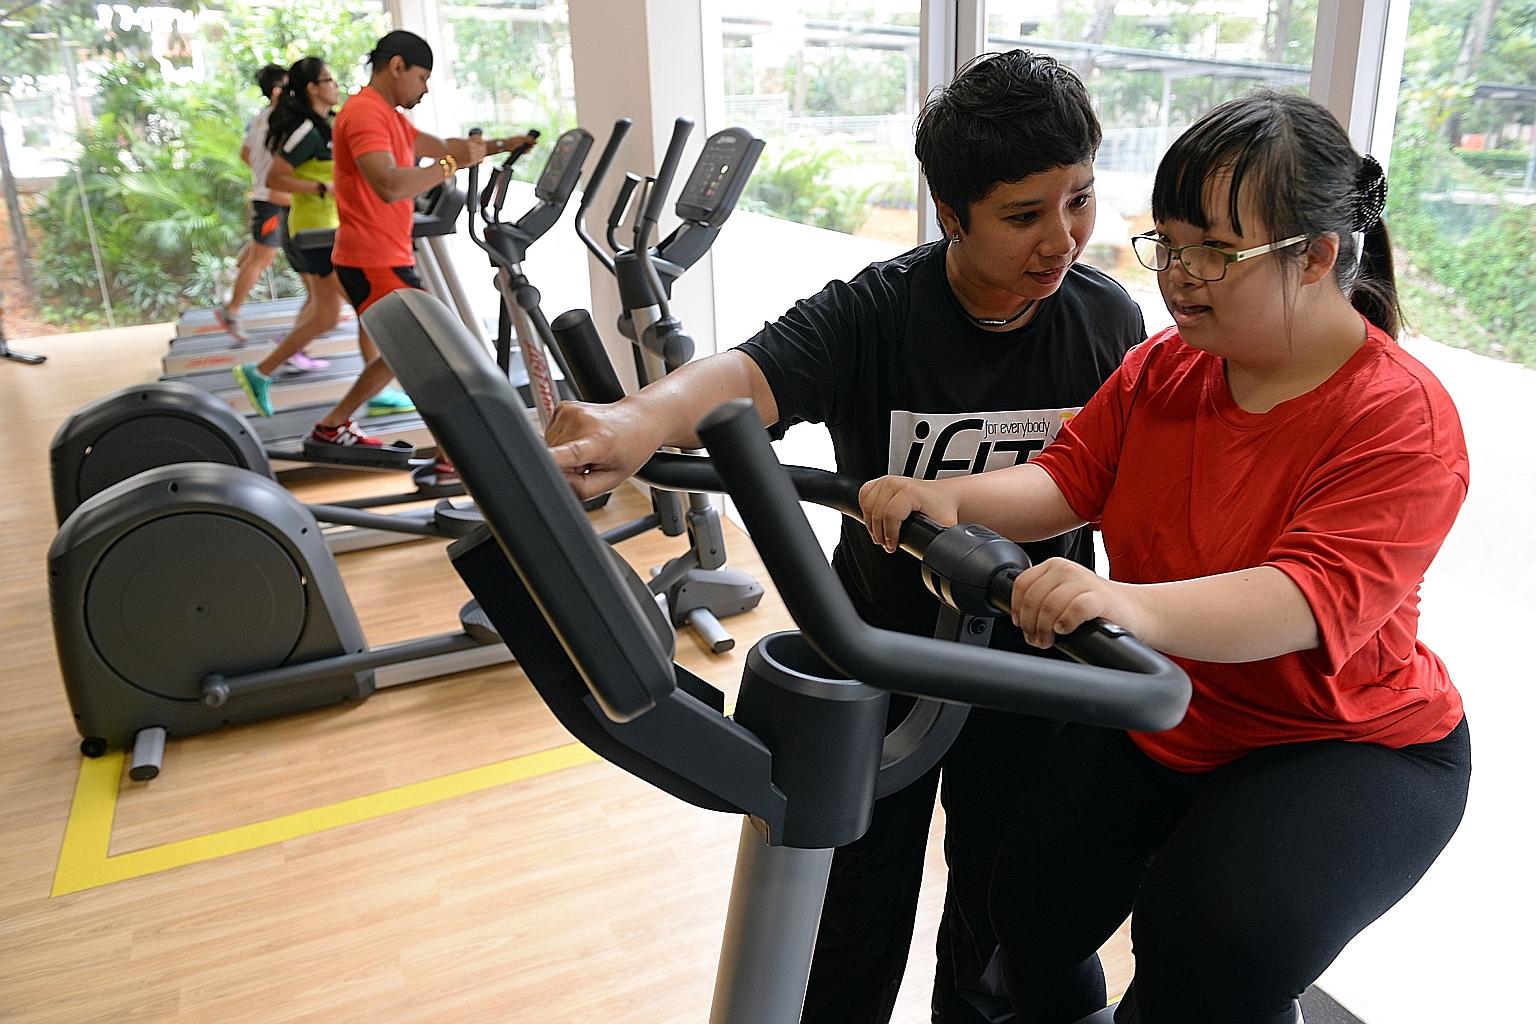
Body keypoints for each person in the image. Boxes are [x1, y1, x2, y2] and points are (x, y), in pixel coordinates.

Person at [548, 51, 1146, 1024]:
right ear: (951, 214)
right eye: (1023, 216)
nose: (1062, 239)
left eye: (1078, 200)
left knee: (1002, 915)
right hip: (878, 652)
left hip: (1033, 665)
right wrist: (636, 421)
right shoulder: (879, 310)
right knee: (849, 913)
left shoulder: (1106, 318)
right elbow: (741, 377)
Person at [858, 90, 1472, 1024]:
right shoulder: (1167, 368)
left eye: (1216, 252)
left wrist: (1129, 605)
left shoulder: (1398, 417)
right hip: (1171, 706)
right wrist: (953, 498)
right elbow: (1069, 478)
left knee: (1210, 944)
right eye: (1170, 245)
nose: (1180, 278)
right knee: (1027, 904)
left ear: (1315, 257)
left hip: (1343, 741)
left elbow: (1303, 599)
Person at [299, 29, 535, 481]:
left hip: (381, 257)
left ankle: (331, 427)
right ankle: (452, 458)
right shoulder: (364, 114)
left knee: (401, 352)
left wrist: (503, 145)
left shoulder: (388, 117)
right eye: (422, 77)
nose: (425, 89)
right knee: (433, 353)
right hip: (373, 260)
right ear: (397, 67)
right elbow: (389, 184)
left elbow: (443, 148)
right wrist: (450, 167)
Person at [215, 63, 305, 353]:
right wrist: (270, 176)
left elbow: (245, 153)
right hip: (272, 198)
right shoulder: (280, 121)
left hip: (266, 194)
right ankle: (232, 310)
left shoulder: (261, 118)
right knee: (263, 257)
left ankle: (231, 276)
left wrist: (262, 172)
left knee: (258, 250)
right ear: (278, 90)